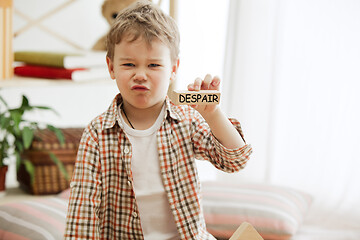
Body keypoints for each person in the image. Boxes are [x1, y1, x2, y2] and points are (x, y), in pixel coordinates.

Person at [64, 1, 252, 239]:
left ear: (173, 69)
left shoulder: (187, 121)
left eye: (154, 65)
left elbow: (236, 160)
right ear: (111, 67)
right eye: (129, 64)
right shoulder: (97, 133)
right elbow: (82, 212)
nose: (140, 74)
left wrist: (213, 114)